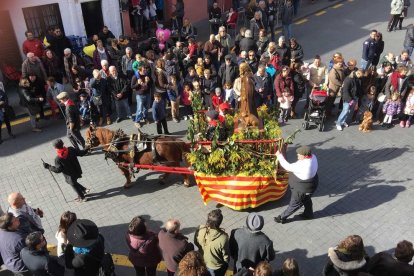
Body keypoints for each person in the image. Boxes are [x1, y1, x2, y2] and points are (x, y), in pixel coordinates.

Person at [274, 145, 318, 223]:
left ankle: (281, 218)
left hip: (301, 189)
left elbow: (287, 166)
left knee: (294, 204)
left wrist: (279, 156)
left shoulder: (303, 165)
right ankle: (308, 214)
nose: (297, 155)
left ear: (305, 156)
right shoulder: (313, 157)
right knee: (306, 199)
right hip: (311, 185)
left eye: (299, 155)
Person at [194, 209, 229, 276]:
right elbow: (226, 256)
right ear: (219, 223)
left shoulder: (200, 228)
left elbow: (196, 242)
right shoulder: (223, 238)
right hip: (214, 266)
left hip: (202, 260)